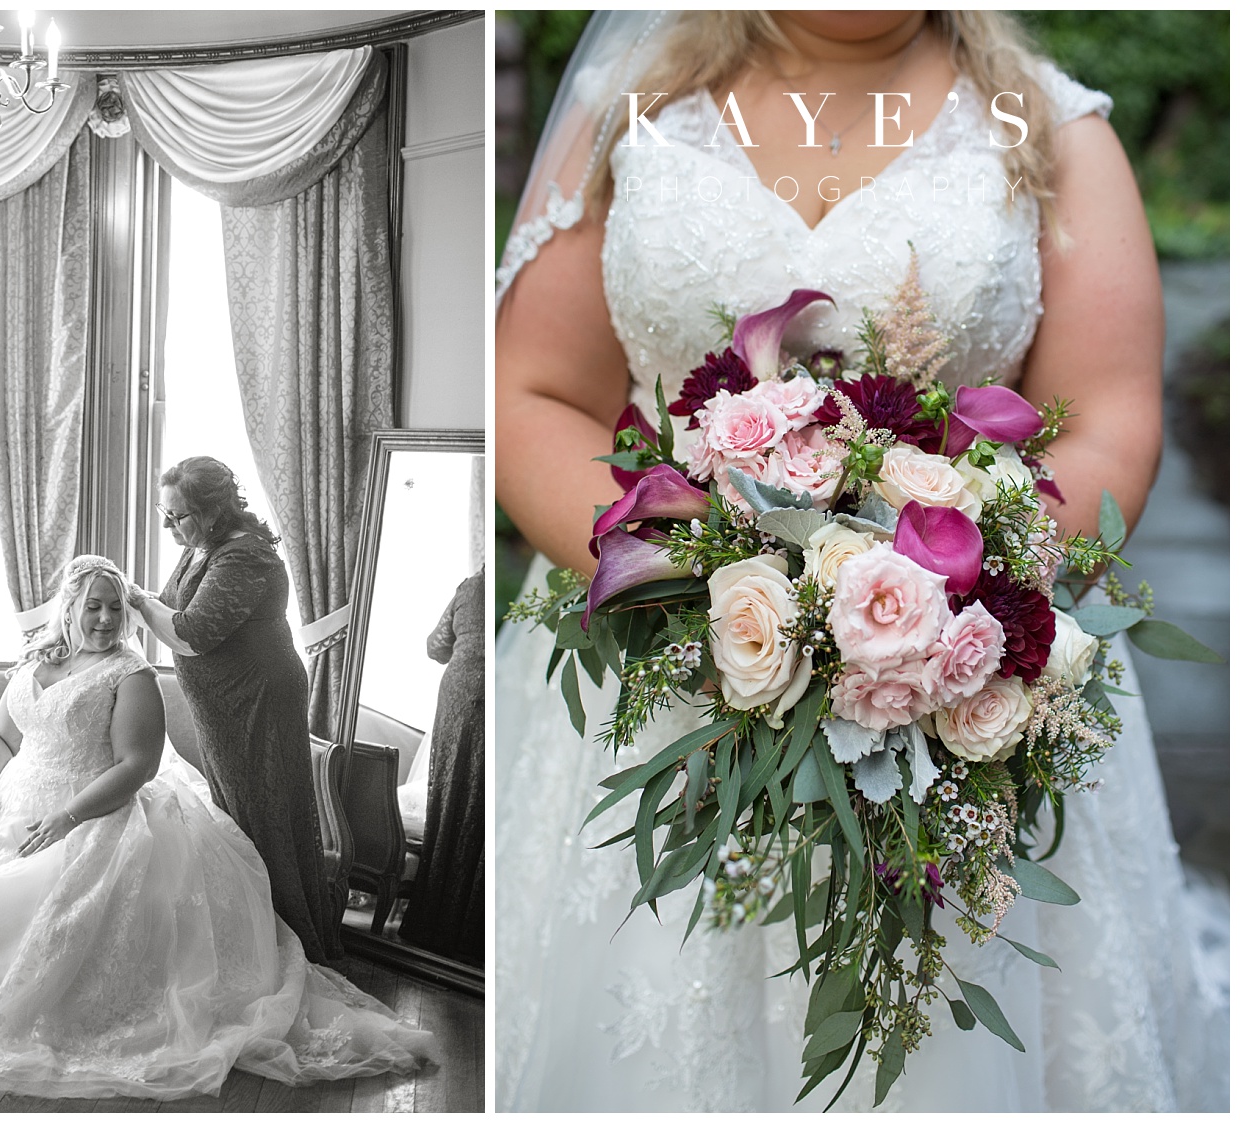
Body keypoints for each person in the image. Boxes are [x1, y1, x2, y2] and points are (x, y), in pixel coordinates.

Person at [495, 10, 1226, 1112]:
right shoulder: (628, 112)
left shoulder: (1051, 130)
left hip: (970, 682)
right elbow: (529, 392)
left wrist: (945, 615)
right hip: (661, 680)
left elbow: (1111, 421)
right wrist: (697, 585)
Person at [0, 556, 433, 1099]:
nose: (106, 618)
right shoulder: (38, 660)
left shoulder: (130, 674)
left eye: (116, 607)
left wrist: (68, 816)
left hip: (95, 812)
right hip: (15, 807)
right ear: (68, 608)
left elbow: (137, 765)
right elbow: (0, 735)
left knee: (68, 907)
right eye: (93, 606)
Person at [127, 456, 341, 963]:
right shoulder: (201, 547)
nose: (166, 524)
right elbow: (167, 608)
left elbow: (191, 632)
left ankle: (288, 946)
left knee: (262, 816)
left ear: (214, 511)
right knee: (235, 816)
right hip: (223, 707)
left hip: (256, 703)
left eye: (176, 515)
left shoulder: (245, 557)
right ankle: (248, 935)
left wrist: (134, 596)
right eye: (165, 511)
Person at [400, 564, 486, 962]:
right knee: (483, 807)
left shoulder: (470, 588)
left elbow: (435, 646)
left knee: (449, 797)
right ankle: (470, 935)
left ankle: (430, 923)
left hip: (459, 692)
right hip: (494, 696)